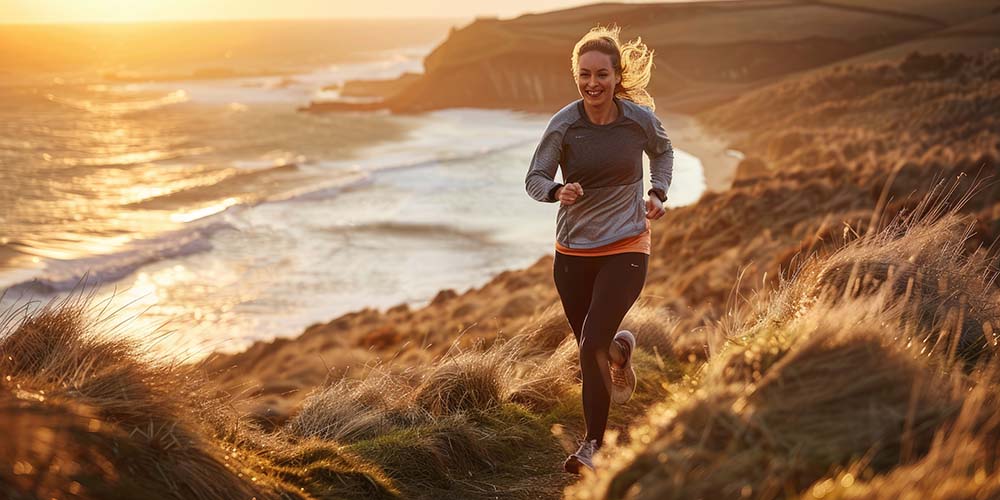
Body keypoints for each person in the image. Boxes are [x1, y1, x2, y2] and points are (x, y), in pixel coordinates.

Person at [524, 25, 673, 474]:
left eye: (601, 74)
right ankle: (620, 353)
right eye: (584, 74)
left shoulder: (638, 121)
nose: (593, 83)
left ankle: (592, 447)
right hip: (573, 252)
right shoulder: (564, 124)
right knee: (592, 346)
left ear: (616, 75)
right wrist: (556, 193)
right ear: (576, 75)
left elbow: (663, 154)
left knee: (590, 343)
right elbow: (534, 178)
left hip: (628, 243)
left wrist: (658, 192)